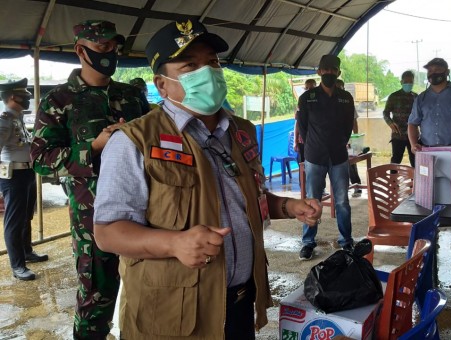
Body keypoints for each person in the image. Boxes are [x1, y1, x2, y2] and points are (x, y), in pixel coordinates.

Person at [92, 20, 322, 338]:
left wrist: (287, 206)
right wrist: (174, 243)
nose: (208, 72)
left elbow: (244, 196)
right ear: (162, 85)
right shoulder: (134, 141)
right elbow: (108, 233)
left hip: (241, 302)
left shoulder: (241, 130)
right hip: (174, 313)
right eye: (190, 66)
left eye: (212, 62)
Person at [30, 20, 149, 339]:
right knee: (97, 298)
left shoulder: (132, 95)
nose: (110, 53)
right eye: (101, 47)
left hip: (144, 210)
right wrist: (93, 147)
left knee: (149, 291)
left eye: (113, 47)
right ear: (80, 50)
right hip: (92, 217)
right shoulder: (60, 100)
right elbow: (41, 160)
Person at [407, 57, 451, 247]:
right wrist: (414, 144)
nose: (433, 74)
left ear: (446, 72)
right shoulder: (421, 98)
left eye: (437, 70)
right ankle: (431, 230)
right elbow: (412, 123)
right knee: (428, 194)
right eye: (430, 71)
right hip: (428, 153)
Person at [297, 54, 355, 260]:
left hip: (338, 156)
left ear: (338, 72)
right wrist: (314, 146)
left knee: (342, 201)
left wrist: (338, 142)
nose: (329, 73)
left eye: (333, 70)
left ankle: (346, 241)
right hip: (315, 157)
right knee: (312, 201)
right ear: (319, 72)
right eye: (326, 70)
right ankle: (308, 242)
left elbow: (349, 126)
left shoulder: (345, 97)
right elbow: (303, 128)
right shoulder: (307, 98)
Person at [0, 78, 48, 281]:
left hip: (27, 173)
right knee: (14, 220)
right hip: (13, 176)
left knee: (26, 216)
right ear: (12, 97)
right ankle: (18, 265)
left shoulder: (17, 117)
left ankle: (27, 252)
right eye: (24, 96)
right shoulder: (3, 119)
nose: (28, 98)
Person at [383, 70, 417, 166]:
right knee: (396, 160)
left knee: (415, 160)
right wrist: (390, 123)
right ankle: (393, 180)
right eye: (406, 82)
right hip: (398, 134)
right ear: (401, 82)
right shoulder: (394, 97)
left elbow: (421, 115)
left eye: (411, 82)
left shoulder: (416, 97)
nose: (408, 84)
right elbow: (385, 113)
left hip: (413, 135)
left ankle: (415, 180)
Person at [336, 78, 362, 197]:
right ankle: (343, 188)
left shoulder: (347, 101)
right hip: (334, 141)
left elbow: (354, 121)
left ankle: (356, 185)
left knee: (351, 162)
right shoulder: (328, 102)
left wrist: (354, 137)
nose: (339, 89)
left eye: (341, 87)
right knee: (338, 166)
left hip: (348, 138)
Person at [294, 78, 316, 163]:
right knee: (302, 164)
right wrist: (295, 141)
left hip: (315, 141)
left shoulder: (321, 102)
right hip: (302, 141)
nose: (309, 91)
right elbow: (297, 123)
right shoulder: (302, 100)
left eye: (311, 88)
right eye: (307, 88)